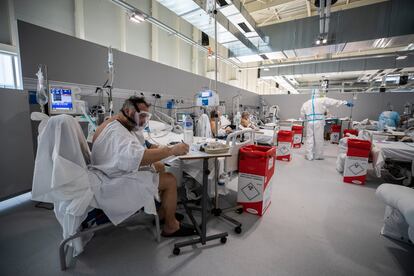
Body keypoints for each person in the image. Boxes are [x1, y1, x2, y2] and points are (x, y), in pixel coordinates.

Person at [91, 96, 195, 237]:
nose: (144, 121)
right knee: (170, 179)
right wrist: (171, 151)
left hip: (112, 172)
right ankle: (171, 226)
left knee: (159, 166)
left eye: (146, 116)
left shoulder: (121, 123)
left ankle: (163, 214)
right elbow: (138, 158)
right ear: (127, 111)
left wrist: (158, 148)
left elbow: (141, 143)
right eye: (142, 116)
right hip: (113, 182)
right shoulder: (116, 131)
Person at [300, 89, 353, 160]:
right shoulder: (321, 100)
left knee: (309, 139)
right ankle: (318, 156)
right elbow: (332, 101)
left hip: (310, 122)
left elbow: (302, 114)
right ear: (318, 94)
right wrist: (344, 102)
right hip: (318, 122)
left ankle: (309, 156)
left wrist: (306, 118)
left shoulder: (306, 103)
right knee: (319, 139)